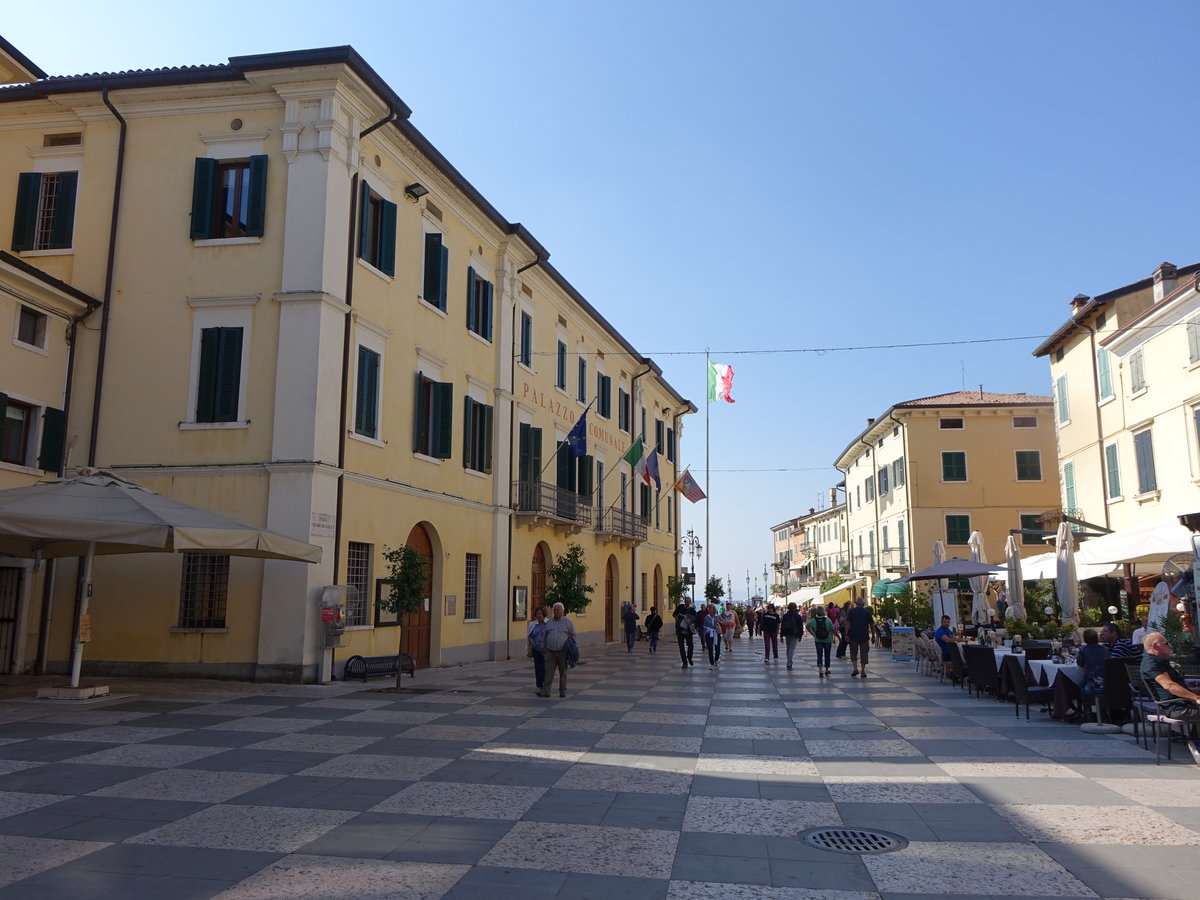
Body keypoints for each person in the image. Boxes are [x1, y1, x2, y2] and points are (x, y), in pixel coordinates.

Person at [1139, 631, 1200, 765]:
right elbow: (1169, 686)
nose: (1170, 646)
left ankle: (1196, 745)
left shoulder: (1160, 661)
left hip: (1182, 704)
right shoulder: (1151, 664)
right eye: (1166, 644)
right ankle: (1197, 747)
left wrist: (1194, 694)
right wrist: (1195, 697)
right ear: (1155, 646)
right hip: (1175, 707)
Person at [540, 602, 576, 698]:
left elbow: (573, 635)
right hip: (550, 651)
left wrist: (570, 647)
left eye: (558, 610)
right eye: (554, 610)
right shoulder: (549, 623)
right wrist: (543, 647)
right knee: (548, 672)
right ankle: (546, 691)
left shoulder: (568, 622)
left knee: (563, 672)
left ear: (562, 611)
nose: (556, 611)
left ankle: (563, 691)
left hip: (563, 651)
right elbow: (545, 636)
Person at [845, 596, 878, 678]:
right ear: (863, 604)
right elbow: (872, 625)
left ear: (856, 604)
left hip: (853, 635)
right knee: (864, 653)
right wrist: (873, 636)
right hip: (864, 636)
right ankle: (863, 671)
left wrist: (846, 634)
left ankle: (855, 668)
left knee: (853, 652)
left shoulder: (851, 611)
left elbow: (848, 623)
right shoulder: (867, 612)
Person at [807, 604, 834, 677]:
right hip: (827, 640)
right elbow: (833, 630)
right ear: (823, 612)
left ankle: (820, 671)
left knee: (819, 654)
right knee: (827, 654)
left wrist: (812, 633)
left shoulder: (813, 620)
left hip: (818, 640)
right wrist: (839, 638)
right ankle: (827, 669)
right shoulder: (828, 620)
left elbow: (807, 626)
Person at [527, 606, 547, 696]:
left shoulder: (548, 624)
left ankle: (544, 686)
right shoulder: (533, 624)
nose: (538, 616)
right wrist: (533, 643)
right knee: (537, 668)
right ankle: (539, 686)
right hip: (536, 650)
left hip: (545, 650)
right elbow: (530, 636)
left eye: (540, 614)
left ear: (544, 614)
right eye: (537, 614)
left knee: (543, 668)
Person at [674, 598, 697, 669]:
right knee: (681, 647)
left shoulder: (692, 610)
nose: (687, 602)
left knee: (690, 645)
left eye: (688, 601)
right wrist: (678, 619)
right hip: (680, 629)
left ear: (690, 602)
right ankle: (684, 662)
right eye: (686, 601)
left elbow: (695, 619)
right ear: (684, 601)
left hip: (689, 630)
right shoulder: (680, 607)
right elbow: (674, 614)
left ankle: (689, 657)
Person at [780, 601, 803, 670]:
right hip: (795, 633)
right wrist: (800, 636)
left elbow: (782, 625)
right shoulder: (797, 616)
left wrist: (781, 635)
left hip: (787, 633)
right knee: (792, 649)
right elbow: (800, 626)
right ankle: (789, 663)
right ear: (795, 608)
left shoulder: (785, 615)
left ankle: (789, 662)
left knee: (788, 648)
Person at [704, 604, 722, 670]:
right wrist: (704, 636)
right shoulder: (706, 617)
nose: (709, 610)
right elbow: (705, 626)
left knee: (717, 649)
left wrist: (719, 622)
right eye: (709, 608)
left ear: (714, 609)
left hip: (717, 633)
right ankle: (711, 663)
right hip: (709, 634)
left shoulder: (718, 616)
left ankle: (716, 660)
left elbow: (723, 622)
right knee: (710, 649)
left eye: (711, 608)